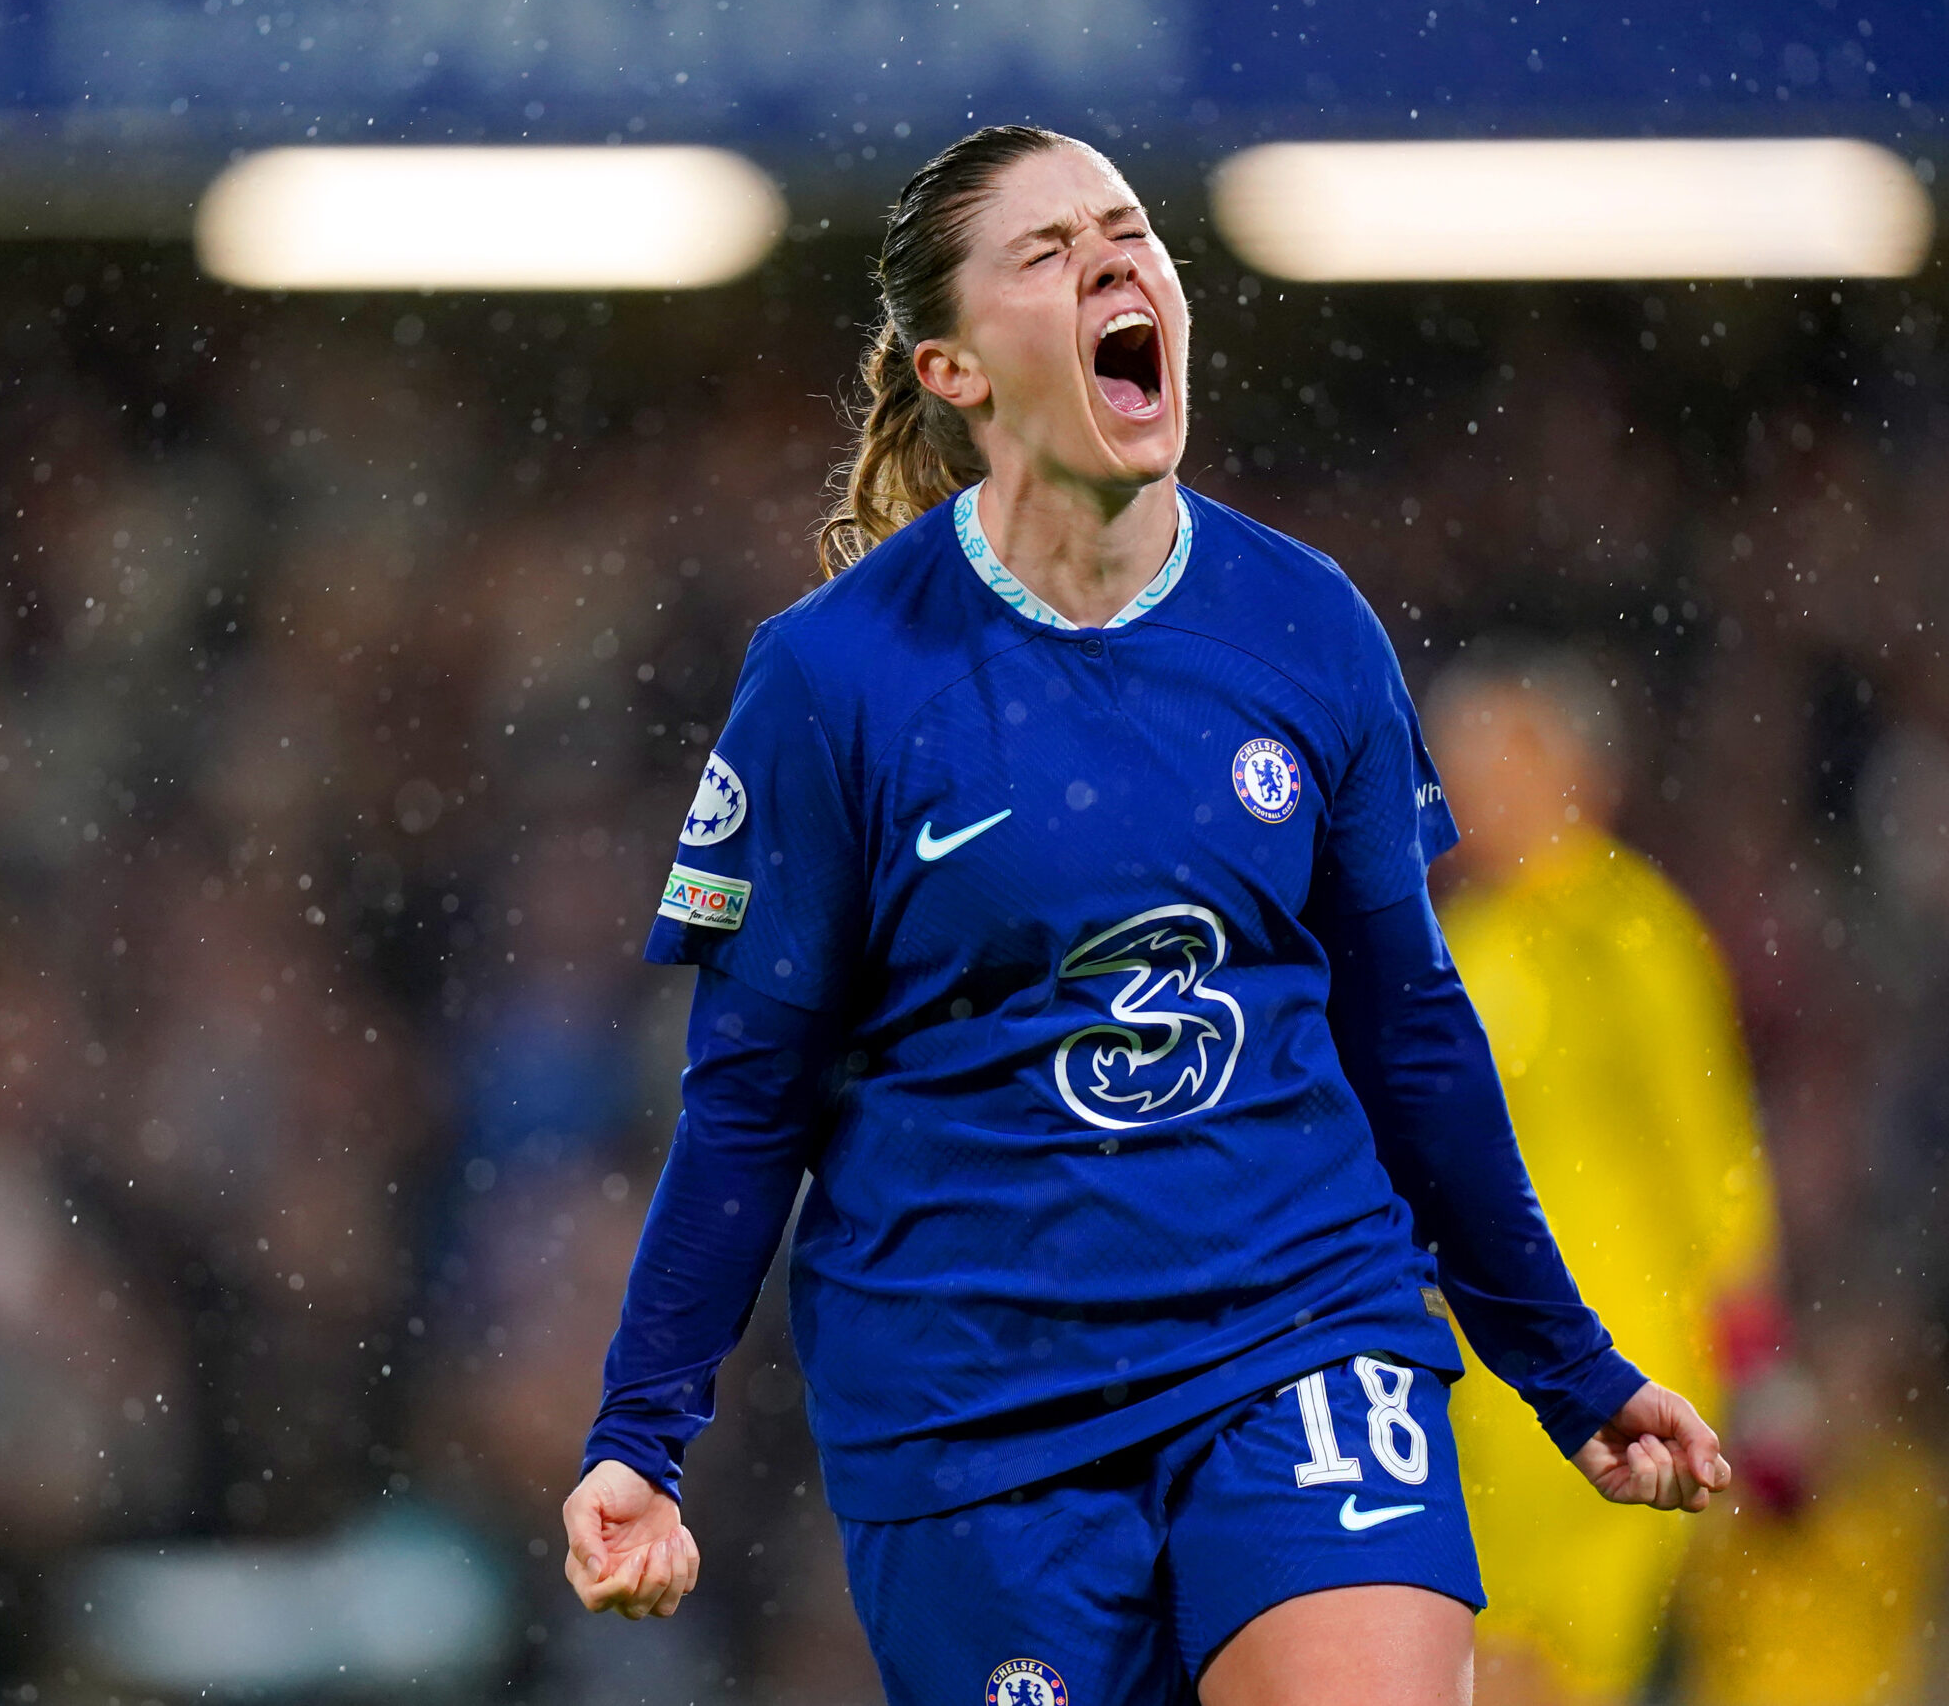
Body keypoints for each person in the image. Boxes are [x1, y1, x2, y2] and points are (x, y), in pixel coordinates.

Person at [562, 125, 1730, 1706]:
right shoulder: (834, 678)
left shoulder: (1307, 624)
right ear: (955, 369)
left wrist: (1566, 1363)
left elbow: (1410, 1033)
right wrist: (642, 1434)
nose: (1113, 258)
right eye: (1048, 251)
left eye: (1128, 231)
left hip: (1300, 1330)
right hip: (977, 1411)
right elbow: (749, 1096)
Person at [1422, 651, 1792, 1706]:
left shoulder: (1633, 932)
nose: (1459, 786)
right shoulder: (1461, 939)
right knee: (1476, 1657)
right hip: (1480, 1383)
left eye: (1488, 757)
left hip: (1618, 1362)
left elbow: (1711, 1148)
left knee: (1562, 1667)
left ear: (1566, 767)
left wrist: (1758, 1359)